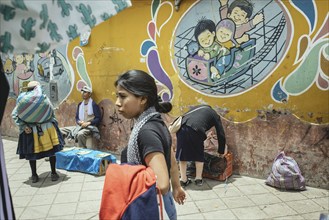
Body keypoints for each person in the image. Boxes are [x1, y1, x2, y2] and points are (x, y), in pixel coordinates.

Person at [115, 70, 186, 219]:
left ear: (142, 99)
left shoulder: (146, 131)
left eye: (123, 96)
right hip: (163, 204)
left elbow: (161, 184)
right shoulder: (157, 122)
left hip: (150, 207)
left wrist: (122, 178)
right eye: (117, 96)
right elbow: (171, 161)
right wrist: (177, 187)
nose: (117, 102)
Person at [12, 81, 64, 183]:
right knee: (52, 152)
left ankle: (34, 175)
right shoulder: (43, 98)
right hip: (47, 128)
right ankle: (53, 173)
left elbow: (15, 114)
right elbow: (51, 111)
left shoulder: (22, 99)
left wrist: (24, 126)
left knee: (32, 153)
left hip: (30, 130)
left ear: (28, 90)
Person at [175, 105, 227, 186]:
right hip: (196, 130)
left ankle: (183, 179)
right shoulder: (214, 114)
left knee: (182, 154)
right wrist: (221, 151)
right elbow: (220, 133)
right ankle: (198, 179)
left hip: (181, 128)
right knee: (198, 154)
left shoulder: (196, 108)